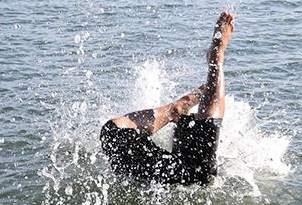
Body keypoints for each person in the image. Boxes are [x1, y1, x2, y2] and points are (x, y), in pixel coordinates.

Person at [100, 12, 235, 186]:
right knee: (200, 175)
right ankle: (216, 58)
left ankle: (177, 109)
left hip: (128, 151)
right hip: (121, 141)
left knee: (196, 173)